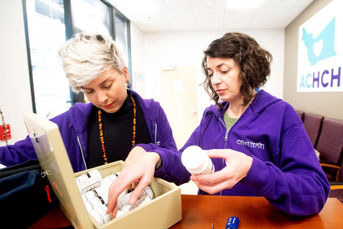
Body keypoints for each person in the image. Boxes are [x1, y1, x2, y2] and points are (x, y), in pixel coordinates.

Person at [106, 32, 330, 217]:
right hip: (212, 217)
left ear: (248, 68)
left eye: (223, 70)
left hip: (259, 220)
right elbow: (185, 162)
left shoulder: (281, 114)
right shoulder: (211, 116)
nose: (214, 80)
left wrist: (252, 169)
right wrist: (156, 158)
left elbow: (315, 192)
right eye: (211, 72)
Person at [0, 31, 177, 172]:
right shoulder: (71, 121)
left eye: (107, 85)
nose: (101, 98)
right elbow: (18, 153)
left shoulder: (152, 112)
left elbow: (179, 169)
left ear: (124, 73)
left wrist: (154, 156)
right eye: (89, 91)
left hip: (152, 207)